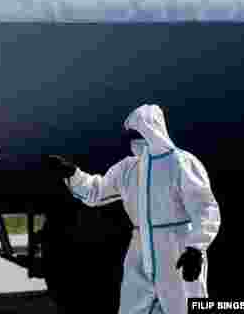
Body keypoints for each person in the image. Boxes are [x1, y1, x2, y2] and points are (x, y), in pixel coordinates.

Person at [44, 104, 220, 314]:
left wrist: (195, 248)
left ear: (153, 130)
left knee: (184, 308)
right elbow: (96, 191)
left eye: (141, 131)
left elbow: (205, 209)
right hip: (140, 250)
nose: (135, 139)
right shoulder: (129, 168)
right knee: (132, 309)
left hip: (176, 250)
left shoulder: (181, 163)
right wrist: (73, 174)